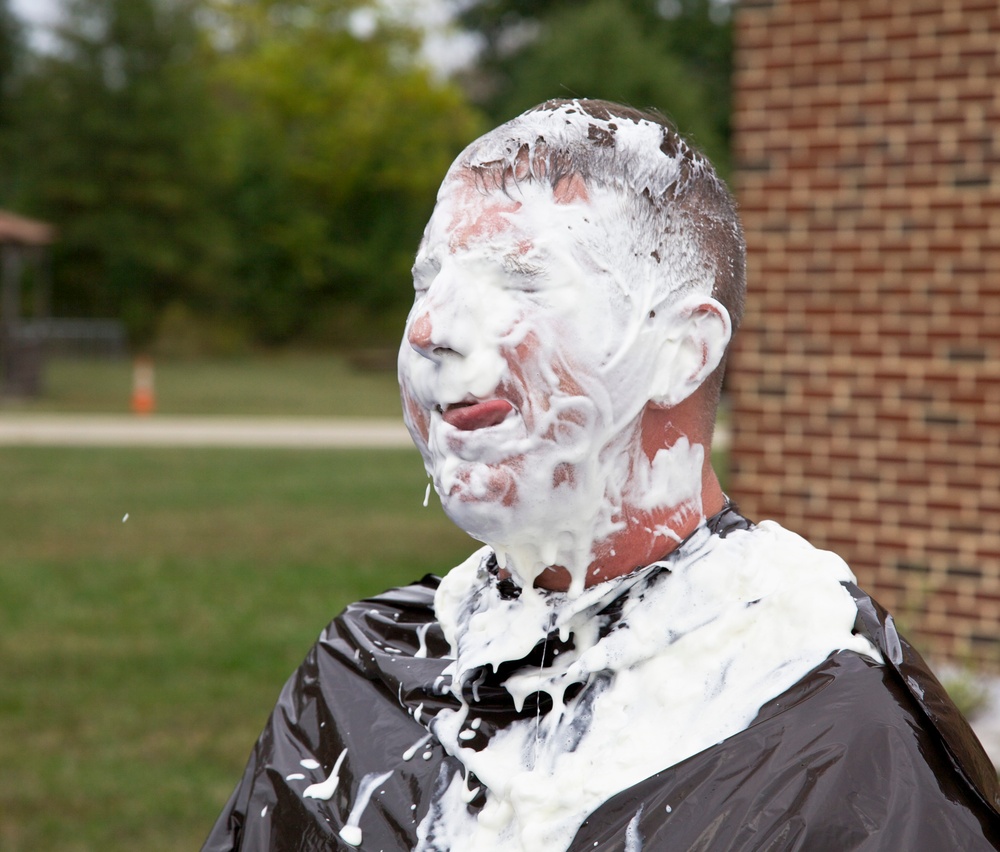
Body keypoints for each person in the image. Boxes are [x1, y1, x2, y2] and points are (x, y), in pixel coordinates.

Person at [203, 99, 1000, 851]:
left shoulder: (826, 727)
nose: (429, 329)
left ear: (680, 350)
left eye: (517, 278)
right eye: (426, 282)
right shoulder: (362, 677)